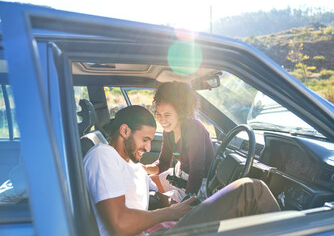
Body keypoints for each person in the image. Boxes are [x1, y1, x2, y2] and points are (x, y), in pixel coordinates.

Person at [83, 105, 280, 236]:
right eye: (145, 140)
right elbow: (119, 225)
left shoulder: (132, 164)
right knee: (251, 191)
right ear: (125, 131)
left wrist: (192, 206)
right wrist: (169, 213)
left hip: (150, 229)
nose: (148, 148)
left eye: (151, 140)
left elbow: (154, 194)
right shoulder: (103, 156)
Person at [143, 82, 215, 202]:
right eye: (158, 114)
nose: (162, 120)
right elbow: (163, 163)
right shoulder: (169, 130)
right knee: (142, 184)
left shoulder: (194, 128)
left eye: (167, 114)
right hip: (178, 175)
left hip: (197, 185)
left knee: (154, 201)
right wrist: (144, 168)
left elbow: (197, 170)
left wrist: (187, 200)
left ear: (180, 112)